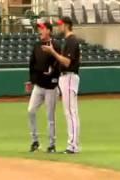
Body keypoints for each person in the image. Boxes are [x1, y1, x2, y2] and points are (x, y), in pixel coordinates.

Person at [42, 17, 81, 154]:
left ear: (67, 25)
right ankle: (73, 144)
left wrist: (53, 52)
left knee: (70, 112)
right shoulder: (69, 41)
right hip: (66, 77)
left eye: (61, 25)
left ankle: (73, 146)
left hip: (69, 76)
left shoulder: (72, 41)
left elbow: (67, 63)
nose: (59, 27)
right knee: (71, 112)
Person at [26, 22, 60, 153]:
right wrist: (31, 80)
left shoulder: (55, 46)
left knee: (50, 116)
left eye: (43, 28)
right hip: (39, 86)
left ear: (49, 31)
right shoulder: (36, 46)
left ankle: (52, 144)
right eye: (39, 28)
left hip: (51, 87)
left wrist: (53, 71)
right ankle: (35, 141)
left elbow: (59, 63)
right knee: (31, 111)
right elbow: (32, 64)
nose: (40, 30)